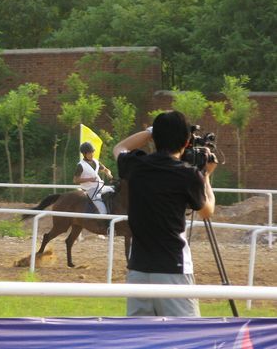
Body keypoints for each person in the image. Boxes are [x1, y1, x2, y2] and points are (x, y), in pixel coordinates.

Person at [113, 110, 216, 317]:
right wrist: (206, 176)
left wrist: (151, 131)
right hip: (173, 269)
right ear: (187, 141)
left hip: (138, 270)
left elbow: (120, 147)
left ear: (155, 138)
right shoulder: (189, 174)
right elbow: (206, 211)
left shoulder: (136, 166)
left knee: (140, 340)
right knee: (186, 339)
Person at [73, 142, 114, 214]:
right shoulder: (81, 165)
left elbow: (106, 169)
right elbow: (75, 180)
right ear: (84, 154)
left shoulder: (95, 161)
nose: (92, 154)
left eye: (92, 152)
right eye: (89, 153)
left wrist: (108, 174)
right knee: (103, 211)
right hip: (90, 190)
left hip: (100, 187)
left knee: (114, 191)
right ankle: (103, 224)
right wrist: (89, 179)